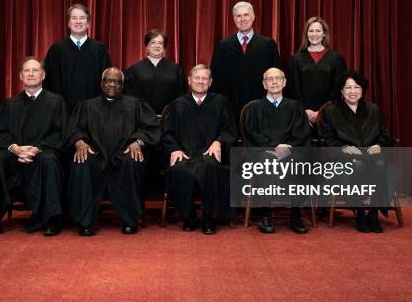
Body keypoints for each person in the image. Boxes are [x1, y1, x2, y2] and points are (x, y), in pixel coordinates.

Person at [0, 57, 69, 237]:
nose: (31, 74)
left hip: (42, 153)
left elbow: (60, 134)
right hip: (13, 156)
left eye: (35, 70)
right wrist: (15, 148)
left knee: (50, 161)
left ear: (43, 75)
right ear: (20, 76)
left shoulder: (56, 102)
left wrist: (36, 149)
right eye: (27, 71)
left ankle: (51, 219)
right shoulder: (10, 105)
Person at [66, 67, 161, 236]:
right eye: (108, 81)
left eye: (116, 81)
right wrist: (79, 141)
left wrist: (137, 142)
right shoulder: (87, 106)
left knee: (133, 161)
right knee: (81, 162)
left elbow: (150, 128)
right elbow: (74, 129)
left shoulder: (135, 105)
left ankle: (130, 219)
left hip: (124, 154)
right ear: (101, 83)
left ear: (122, 84)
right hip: (94, 155)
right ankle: (85, 221)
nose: (112, 84)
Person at [162, 64, 237, 234]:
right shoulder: (177, 104)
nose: (200, 81)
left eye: (205, 78)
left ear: (210, 82)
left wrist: (219, 142)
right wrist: (174, 148)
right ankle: (188, 216)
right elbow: (167, 132)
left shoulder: (220, 102)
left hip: (209, 155)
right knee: (180, 169)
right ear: (189, 80)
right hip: (185, 154)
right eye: (197, 78)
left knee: (209, 167)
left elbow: (229, 130)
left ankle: (209, 217)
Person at [319, 70, 392, 233]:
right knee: (357, 164)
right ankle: (359, 212)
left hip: (372, 155)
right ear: (341, 91)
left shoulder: (373, 109)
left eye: (357, 87)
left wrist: (379, 145)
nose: (353, 91)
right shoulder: (331, 111)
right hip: (344, 157)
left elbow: (384, 135)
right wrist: (344, 148)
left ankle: (373, 214)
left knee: (380, 163)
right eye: (348, 87)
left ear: (362, 90)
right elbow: (328, 140)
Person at [242, 67, 311, 234]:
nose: (274, 82)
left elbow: (301, 133)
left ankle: (296, 215)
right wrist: (273, 147)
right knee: (265, 164)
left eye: (277, 78)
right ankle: (265, 215)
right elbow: (251, 134)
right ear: (264, 84)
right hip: (263, 152)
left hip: (291, 152)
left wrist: (286, 149)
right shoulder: (254, 108)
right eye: (269, 79)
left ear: (284, 82)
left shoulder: (295, 107)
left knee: (301, 164)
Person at [210, 1, 280, 120]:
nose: (243, 19)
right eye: (238, 16)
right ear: (234, 19)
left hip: (261, 109)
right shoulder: (223, 46)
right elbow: (215, 80)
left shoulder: (268, 45)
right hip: (230, 109)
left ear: (253, 17)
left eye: (246, 15)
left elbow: (277, 78)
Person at [43, 3, 112, 111]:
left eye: (82, 18)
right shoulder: (56, 49)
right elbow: (48, 82)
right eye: (74, 18)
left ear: (88, 23)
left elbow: (108, 81)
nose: (78, 21)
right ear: (69, 23)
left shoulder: (100, 50)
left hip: (94, 111)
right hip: (62, 111)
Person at [286, 17, 346, 132]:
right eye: (311, 31)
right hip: (302, 116)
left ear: (324, 34)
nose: (314, 34)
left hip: (329, 116)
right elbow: (292, 89)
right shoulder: (296, 59)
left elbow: (339, 90)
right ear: (306, 34)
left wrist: (323, 111)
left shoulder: (336, 58)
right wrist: (305, 111)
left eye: (318, 31)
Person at [124, 29, 186, 115]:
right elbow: (129, 97)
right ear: (147, 46)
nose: (157, 46)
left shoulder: (176, 69)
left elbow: (182, 95)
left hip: (170, 118)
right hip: (142, 120)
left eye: (160, 43)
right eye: (153, 42)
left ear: (164, 47)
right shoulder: (134, 69)